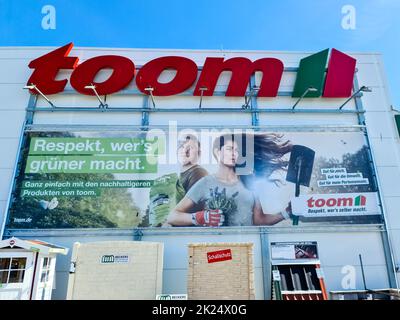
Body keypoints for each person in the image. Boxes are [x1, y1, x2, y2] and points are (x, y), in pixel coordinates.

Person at [167, 133, 292, 227]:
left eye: (236, 150)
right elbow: (173, 216)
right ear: (217, 152)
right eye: (229, 149)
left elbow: (259, 220)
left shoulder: (249, 182)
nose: (234, 153)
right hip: (216, 252)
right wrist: (199, 217)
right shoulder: (205, 183)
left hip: (245, 249)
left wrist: (285, 214)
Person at [148, 134, 208, 227]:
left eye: (190, 147)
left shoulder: (198, 173)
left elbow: (194, 211)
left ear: (199, 153)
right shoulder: (178, 177)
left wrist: (169, 222)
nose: (185, 150)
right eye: (181, 147)